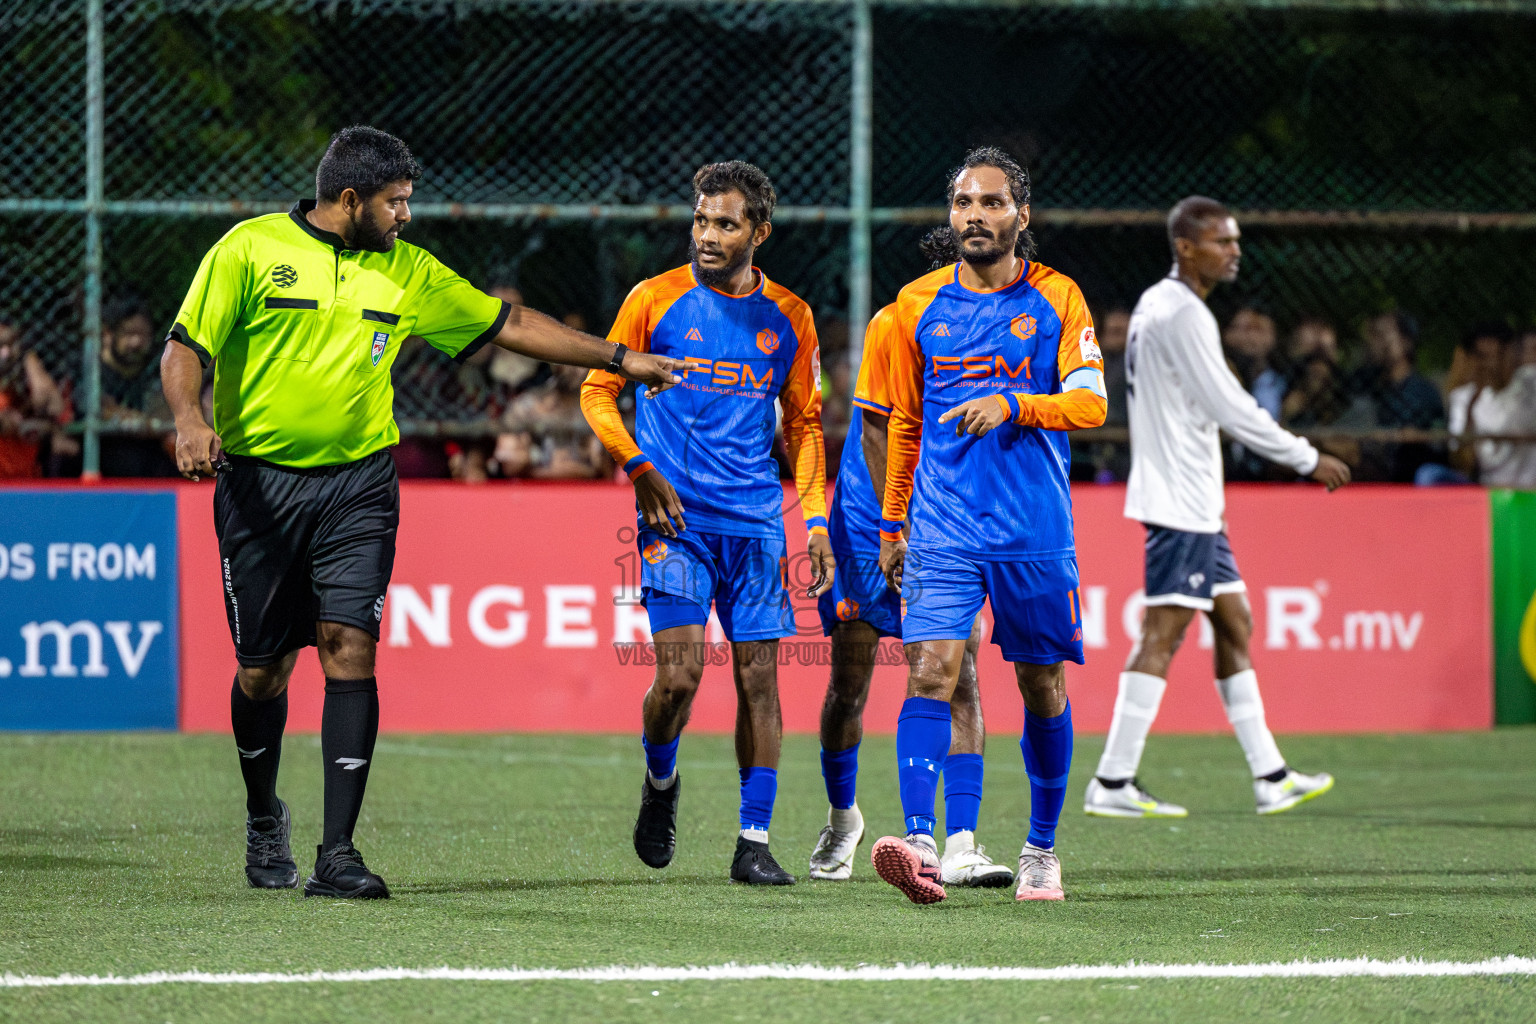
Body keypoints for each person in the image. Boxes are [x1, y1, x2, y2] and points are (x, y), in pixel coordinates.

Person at [161, 125, 681, 900]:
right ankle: (264, 813)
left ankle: (338, 854)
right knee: (263, 673)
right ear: (349, 200)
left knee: (349, 647)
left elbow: (509, 324)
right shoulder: (247, 249)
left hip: (359, 489)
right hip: (260, 488)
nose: (406, 215)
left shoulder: (410, 272)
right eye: (395, 202)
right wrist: (191, 420)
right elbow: (185, 349)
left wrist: (617, 357)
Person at [580, 161, 834, 886]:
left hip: (756, 524)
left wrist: (814, 521)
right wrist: (638, 466)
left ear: (760, 232)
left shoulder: (791, 317)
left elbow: (806, 426)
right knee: (680, 680)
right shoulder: (652, 300)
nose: (708, 234)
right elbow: (597, 392)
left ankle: (753, 841)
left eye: (725, 223)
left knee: (761, 680)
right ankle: (660, 781)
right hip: (675, 518)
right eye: (700, 220)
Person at [870, 147, 1106, 905]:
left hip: (1033, 530)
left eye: (993, 203)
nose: (975, 215)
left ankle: (1040, 849)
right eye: (964, 203)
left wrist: (1015, 404)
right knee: (930, 671)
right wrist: (891, 522)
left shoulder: (1059, 300)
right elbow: (905, 423)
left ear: (1021, 216)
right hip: (942, 526)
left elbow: (1092, 405)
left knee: (1041, 686)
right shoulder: (915, 305)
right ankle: (919, 842)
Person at [1086, 196, 1350, 821]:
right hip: (1181, 500)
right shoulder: (1182, 315)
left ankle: (1271, 776)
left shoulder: (1159, 303)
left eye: (1234, 240)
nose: (1234, 250)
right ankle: (1114, 780)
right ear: (1186, 246)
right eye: (1221, 241)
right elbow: (1230, 406)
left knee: (1235, 621)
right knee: (1164, 633)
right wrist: (1306, 457)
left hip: (1194, 498)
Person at [809, 271, 1010, 887]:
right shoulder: (895, 321)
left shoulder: (1004, 324)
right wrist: (897, 526)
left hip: (947, 525)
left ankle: (959, 842)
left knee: (960, 675)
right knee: (850, 685)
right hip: (871, 527)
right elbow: (875, 430)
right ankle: (844, 818)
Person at [1347, 311, 1443, 481]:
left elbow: (1434, 441)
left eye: (1384, 335)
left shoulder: (1423, 392)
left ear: (1406, 343)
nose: (1376, 343)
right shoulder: (1367, 387)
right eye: (1375, 335)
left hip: (1409, 473)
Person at [1444, 325, 1536, 488]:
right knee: (1430, 475)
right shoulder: (1463, 398)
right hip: (1488, 489)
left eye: (1498, 355)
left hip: (1529, 488)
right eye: (1483, 356)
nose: (1491, 363)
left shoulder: (1530, 384)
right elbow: (1462, 464)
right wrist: (1470, 413)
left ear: (1511, 353)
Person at [98, 296, 178, 477]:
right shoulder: (94, 371)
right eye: (128, 333)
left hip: (153, 467)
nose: (136, 342)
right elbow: (101, 410)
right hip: (105, 463)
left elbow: (165, 413)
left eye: (143, 334)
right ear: (109, 334)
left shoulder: (154, 369)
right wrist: (148, 424)